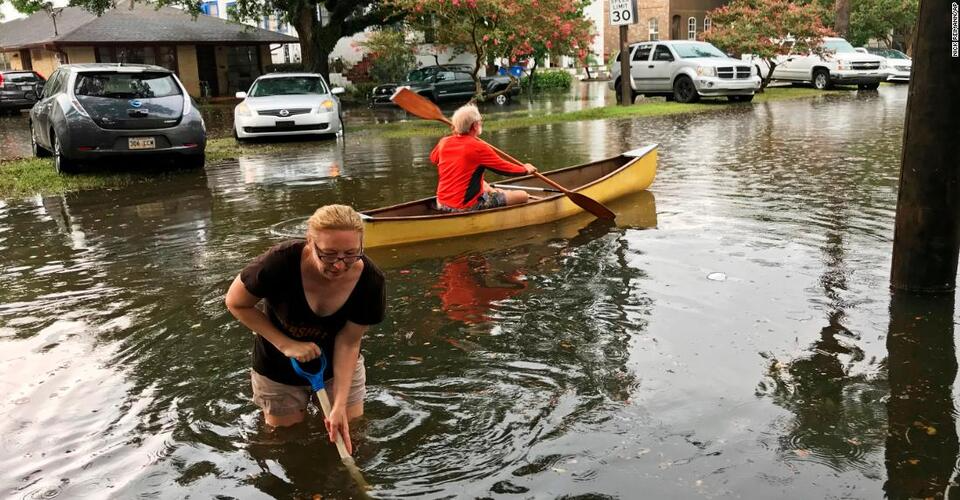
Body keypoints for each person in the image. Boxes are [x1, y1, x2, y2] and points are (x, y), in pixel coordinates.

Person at [225, 204, 385, 455]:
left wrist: (340, 404)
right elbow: (236, 303)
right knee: (286, 442)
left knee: (352, 432)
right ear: (310, 243)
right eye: (329, 254)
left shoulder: (371, 281)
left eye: (351, 253)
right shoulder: (280, 262)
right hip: (277, 365)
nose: (340, 265)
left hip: (337, 365)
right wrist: (285, 344)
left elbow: (349, 342)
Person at [430, 103, 537, 212]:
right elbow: (504, 168)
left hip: (441, 203)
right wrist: (525, 169)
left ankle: (494, 192)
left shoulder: (444, 142)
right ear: (475, 125)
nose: (481, 123)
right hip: (464, 207)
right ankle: (499, 194)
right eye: (480, 121)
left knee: (484, 184)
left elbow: (434, 158)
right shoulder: (478, 147)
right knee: (523, 195)